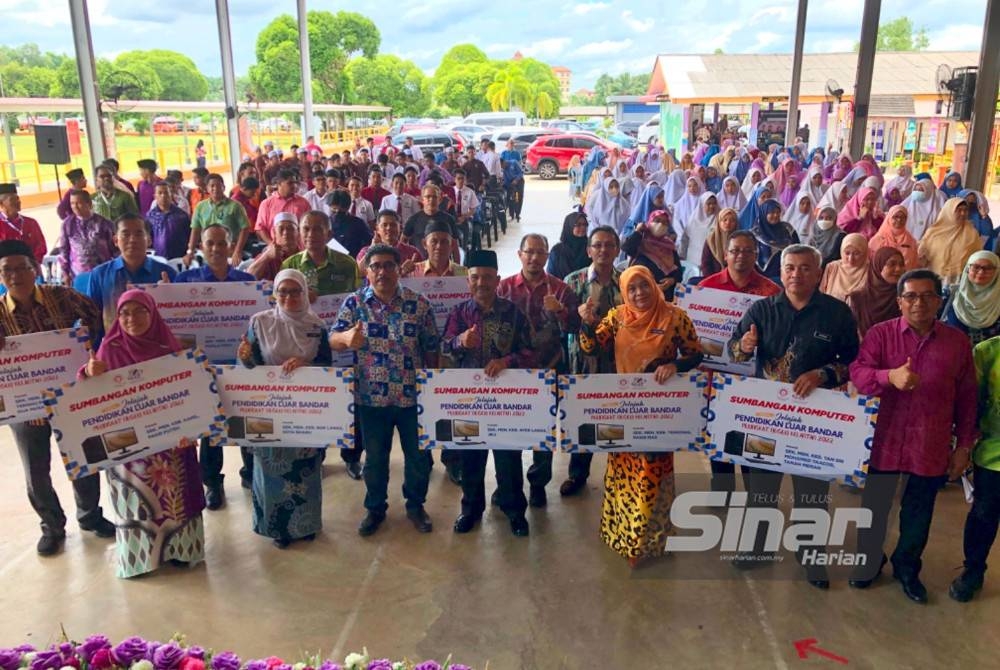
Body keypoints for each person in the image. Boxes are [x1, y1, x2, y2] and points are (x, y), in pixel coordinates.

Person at [728, 244, 860, 587]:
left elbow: (854, 362)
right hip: (766, 418)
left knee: (811, 493)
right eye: (789, 268)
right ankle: (758, 547)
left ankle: (811, 554)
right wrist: (743, 347)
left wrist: (824, 374)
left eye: (804, 268)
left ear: (818, 274)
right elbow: (732, 351)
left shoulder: (836, 314)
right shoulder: (761, 310)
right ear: (781, 271)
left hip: (813, 421)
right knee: (761, 489)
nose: (796, 274)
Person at [849, 269, 976, 603]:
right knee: (875, 507)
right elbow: (859, 374)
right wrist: (889, 376)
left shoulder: (957, 343)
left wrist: (964, 446)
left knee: (919, 513)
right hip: (883, 439)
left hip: (929, 441)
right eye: (910, 296)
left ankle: (907, 568)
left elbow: (967, 399)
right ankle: (869, 561)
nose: (919, 303)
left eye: (927, 296)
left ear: (939, 300)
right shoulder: (880, 335)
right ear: (899, 302)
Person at [579, 265, 704, 568]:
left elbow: (696, 353)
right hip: (624, 407)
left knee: (652, 473)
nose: (639, 293)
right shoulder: (617, 317)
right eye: (632, 288)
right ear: (624, 291)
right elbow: (591, 348)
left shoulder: (675, 316)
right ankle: (619, 535)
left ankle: (648, 543)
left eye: (644, 285)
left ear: (653, 285)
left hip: (659, 412)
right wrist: (587, 323)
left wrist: (675, 366)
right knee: (622, 473)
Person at [0, 239, 114, 556]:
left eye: (22, 268)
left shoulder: (62, 297)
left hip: (69, 399)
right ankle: (52, 527)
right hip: (25, 409)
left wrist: (83, 347)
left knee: (85, 458)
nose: (15, 276)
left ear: (35, 269)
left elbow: (94, 318)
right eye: (7, 270)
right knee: (36, 472)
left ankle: (90, 516)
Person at [82, 289, 205, 578]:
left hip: (170, 440)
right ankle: (141, 558)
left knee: (176, 496)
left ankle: (181, 551)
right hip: (130, 448)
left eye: (140, 311)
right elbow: (88, 395)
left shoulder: (169, 348)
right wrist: (88, 373)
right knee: (137, 502)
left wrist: (194, 427)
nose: (132, 318)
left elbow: (190, 393)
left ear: (153, 314)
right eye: (125, 313)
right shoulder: (109, 349)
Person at [331, 244, 440, 536]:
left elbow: (432, 348)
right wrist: (346, 337)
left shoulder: (419, 304)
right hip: (371, 398)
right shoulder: (355, 304)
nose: (382, 272)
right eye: (376, 266)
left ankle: (415, 506)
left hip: (412, 398)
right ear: (367, 271)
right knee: (375, 460)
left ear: (398, 269)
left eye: (388, 265)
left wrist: (432, 392)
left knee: (418, 458)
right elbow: (332, 338)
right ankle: (375, 508)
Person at [442, 249, 536, 536]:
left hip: (506, 403)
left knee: (509, 459)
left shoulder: (513, 313)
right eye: (475, 277)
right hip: (469, 402)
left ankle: (514, 512)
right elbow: (443, 349)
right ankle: (470, 511)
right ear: (468, 280)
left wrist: (506, 361)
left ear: (497, 280)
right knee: (471, 459)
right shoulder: (458, 313)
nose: (481, 283)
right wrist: (460, 341)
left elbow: (531, 352)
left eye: (487, 277)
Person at [237, 269, 331, 548]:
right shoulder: (260, 322)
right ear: (274, 294)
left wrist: (306, 365)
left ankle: (306, 524)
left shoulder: (316, 326)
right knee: (270, 469)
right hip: (269, 408)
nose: (289, 297)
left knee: (306, 467)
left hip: (305, 410)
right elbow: (248, 366)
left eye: (295, 291)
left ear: (305, 293)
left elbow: (328, 366)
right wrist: (244, 357)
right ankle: (276, 527)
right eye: (283, 292)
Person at [174, 224, 256, 508]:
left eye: (222, 243)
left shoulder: (246, 281)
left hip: (240, 367)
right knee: (210, 429)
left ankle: (250, 473)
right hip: (203, 369)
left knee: (244, 422)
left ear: (231, 245)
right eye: (210, 243)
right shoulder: (184, 282)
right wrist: (163, 295)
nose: (216, 248)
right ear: (201, 247)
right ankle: (212, 483)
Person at [498, 234, 580, 507]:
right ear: (519, 254)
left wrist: (561, 312)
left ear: (547, 256)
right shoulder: (504, 288)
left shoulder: (561, 289)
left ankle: (538, 483)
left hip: (549, 367)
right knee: (508, 429)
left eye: (540, 252)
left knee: (543, 431)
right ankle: (507, 484)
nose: (534, 257)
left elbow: (575, 328)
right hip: (511, 372)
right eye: (529, 252)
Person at [699, 231, 781, 495]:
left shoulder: (771, 292)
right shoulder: (705, 288)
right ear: (725, 254)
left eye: (748, 251)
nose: (740, 256)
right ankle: (722, 493)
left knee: (750, 438)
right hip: (716, 379)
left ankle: (753, 495)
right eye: (735, 250)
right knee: (718, 437)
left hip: (755, 381)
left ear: (756, 255)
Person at [559, 226, 624, 496]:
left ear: (617, 250)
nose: (603, 250)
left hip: (618, 359)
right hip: (582, 360)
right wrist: (579, 316)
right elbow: (563, 324)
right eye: (597, 245)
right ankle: (578, 474)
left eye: (609, 245)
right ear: (588, 250)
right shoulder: (573, 281)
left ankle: (619, 477)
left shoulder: (627, 281)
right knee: (584, 417)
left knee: (617, 417)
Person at [952, 334, 1000, 601]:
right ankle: (973, 570)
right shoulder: (988, 352)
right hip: (994, 455)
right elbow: (969, 405)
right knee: (984, 514)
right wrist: (963, 446)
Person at [85, 215, 177, 336]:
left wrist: (168, 297)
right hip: (114, 344)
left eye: (139, 234)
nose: (132, 239)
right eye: (126, 234)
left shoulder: (167, 273)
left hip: (156, 343)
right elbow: (92, 319)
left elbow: (178, 319)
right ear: (115, 241)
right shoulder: (99, 275)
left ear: (149, 240)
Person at [185, 174, 251, 267]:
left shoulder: (235, 206)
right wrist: (190, 251)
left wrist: (237, 251)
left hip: (229, 253)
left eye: (219, 185)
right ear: (207, 189)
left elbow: (245, 228)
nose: (215, 188)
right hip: (208, 254)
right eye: (212, 186)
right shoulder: (200, 207)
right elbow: (195, 230)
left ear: (224, 187)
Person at [918, 197, 982, 286]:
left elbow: (978, 258)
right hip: (934, 278)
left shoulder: (972, 234)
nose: (963, 213)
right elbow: (923, 258)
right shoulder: (933, 233)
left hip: (960, 280)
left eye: (965, 210)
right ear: (949, 212)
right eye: (959, 210)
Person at [623, 210, 684, 301]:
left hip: (664, 296)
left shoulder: (669, 246)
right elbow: (627, 249)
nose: (660, 224)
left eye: (665, 223)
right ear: (649, 222)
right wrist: (638, 231)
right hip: (640, 294)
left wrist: (672, 280)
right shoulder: (640, 241)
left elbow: (679, 273)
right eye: (657, 220)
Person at [58, 189, 116, 283]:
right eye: (72, 203)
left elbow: (115, 249)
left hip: (103, 273)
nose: (75, 207)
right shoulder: (67, 224)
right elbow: (64, 250)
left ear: (89, 203)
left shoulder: (103, 223)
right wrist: (65, 273)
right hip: (78, 275)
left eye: (78, 203)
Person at [942, 251, 1000, 345]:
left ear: (997, 271)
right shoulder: (949, 294)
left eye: (988, 268)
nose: (981, 272)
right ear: (967, 269)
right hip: (954, 353)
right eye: (976, 267)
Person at [846, 247, 905, 337]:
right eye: (892, 264)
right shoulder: (856, 299)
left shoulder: (906, 297)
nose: (898, 269)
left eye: (901, 265)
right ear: (878, 266)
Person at [403, 184, 460, 260]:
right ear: (422, 199)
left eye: (434, 197)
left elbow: (455, 246)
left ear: (439, 200)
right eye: (428, 197)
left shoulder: (449, 219)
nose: (431, 200)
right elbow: (402, 243)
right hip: (419, 263)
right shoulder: (413, 219)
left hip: (443, 263)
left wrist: (457, 266)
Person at [255, 170, 311, 246]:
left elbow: (309, 225)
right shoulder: (266, 204)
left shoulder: (303, 202)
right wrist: (271, 245)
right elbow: (260, 228)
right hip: (274, 247)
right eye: (290, 183)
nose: (294, 186)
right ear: (279, 184)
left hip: (298, 247)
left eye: (295, 183)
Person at [356, 210, 421, 274]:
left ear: (400, 228)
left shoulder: (412, 252)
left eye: (393, 225)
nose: (389, 228)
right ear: (377, 229)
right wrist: (372, 249)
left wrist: (414, 269)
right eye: (384, 225)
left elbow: (423, 274)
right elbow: (359, 273)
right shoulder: (365, 251)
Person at [0, 183, 47, 263]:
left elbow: (41, 246)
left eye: (17, 198)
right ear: (1, 203)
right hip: (6, 268)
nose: (18, 202)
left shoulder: (31, 223)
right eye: (12, 199)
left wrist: (30, 263)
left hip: (30, 266)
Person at [247, 212, 301, 281]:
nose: (285, 232)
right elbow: (248, 278)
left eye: (290, 228)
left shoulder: (304, 255)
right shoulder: (268, 255)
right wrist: (267, 256)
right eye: (281, 229)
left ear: (298, 232)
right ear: (274, 233)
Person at [146, 182, 192, 261]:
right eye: (160, 193)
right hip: (159, 258)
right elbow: (148, 238)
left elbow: (190, 237)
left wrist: (189, 253)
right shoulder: (150, 216)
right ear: (155, 196)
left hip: (179, 259)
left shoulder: (182, 216)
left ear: (171, 195)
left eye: (166, 193)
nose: (163, 196)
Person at [820, 233, 870, 302]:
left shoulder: (870, 270)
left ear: (864, 252)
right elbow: (821, 294)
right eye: (847, 253)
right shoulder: (832, 267)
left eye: (856, 253)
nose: (851, 258)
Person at [868, 205, 919, 270]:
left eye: (903, 217)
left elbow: (914, 264)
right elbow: (871, 263)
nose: (899, 220)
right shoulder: (878, 239)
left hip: (905, 275)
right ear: (889, 218)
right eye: (895, 217)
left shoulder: (911, 241)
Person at [325, 190, 374, 258]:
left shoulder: (358, 223)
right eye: (334, 209)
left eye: (341, 210)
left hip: (353, 260)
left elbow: (368, 243)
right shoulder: (325, 223)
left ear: (347, 208)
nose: (337, 211)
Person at [546, 211, 590, 280]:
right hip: (560, 286)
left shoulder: (591, 247)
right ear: (569, 226)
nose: (583, 227)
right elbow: (550, 275)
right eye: (578, 225)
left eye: (585, 224)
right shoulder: (557, 250)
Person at [680, 192, 718, 265]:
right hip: (692, 260)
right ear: (702, 205)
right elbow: (685, 240)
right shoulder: (693, 220)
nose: (712, 206)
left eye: (714, 203)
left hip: (712, 261)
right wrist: (682, 256)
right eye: (709, 204)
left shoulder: (720, 220)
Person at [700, 207, 739, 277]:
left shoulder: (740, 240)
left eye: (732, 220)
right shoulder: (711, 240)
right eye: (724, 220)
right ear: (719, 222)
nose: (728, 223)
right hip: (713, 278)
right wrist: (712, 280)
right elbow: (706, 264)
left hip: (735, 278)